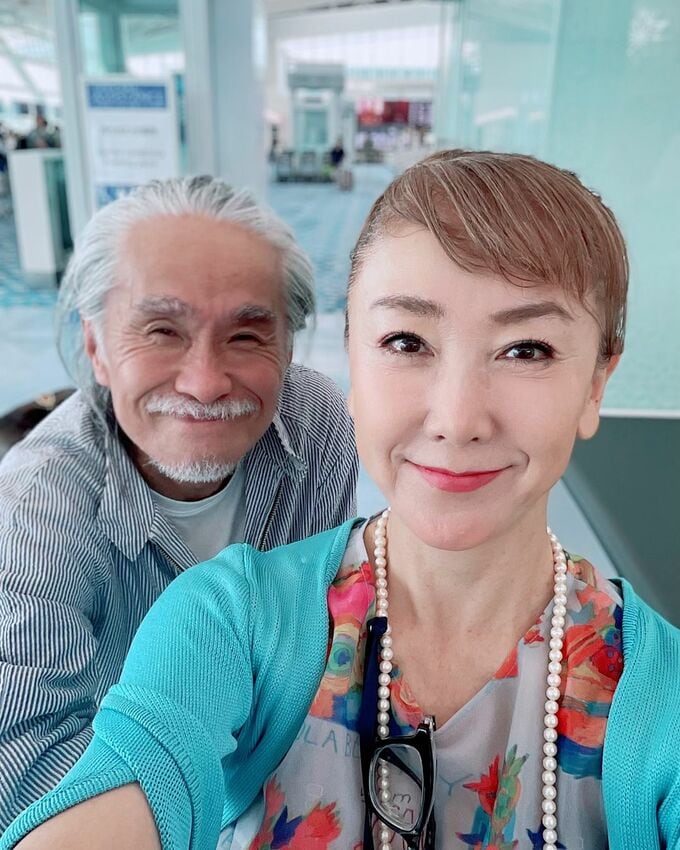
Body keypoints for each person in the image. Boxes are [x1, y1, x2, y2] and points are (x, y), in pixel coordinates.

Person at [4, 151, 679, 850]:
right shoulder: (187, 594)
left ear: (597, 383)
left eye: (527, 349)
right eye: (406, 341)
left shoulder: (314, 422)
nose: (457, 420)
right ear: (354, 361)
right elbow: (94, 760)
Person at [0, 176, 358, 829]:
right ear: (96, 348)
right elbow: (26, 773)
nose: (204, 383)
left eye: (246, 337)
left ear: (287, 347)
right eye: (162, 331)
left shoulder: (318, 428)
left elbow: (332, 623)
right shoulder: (37, 511)